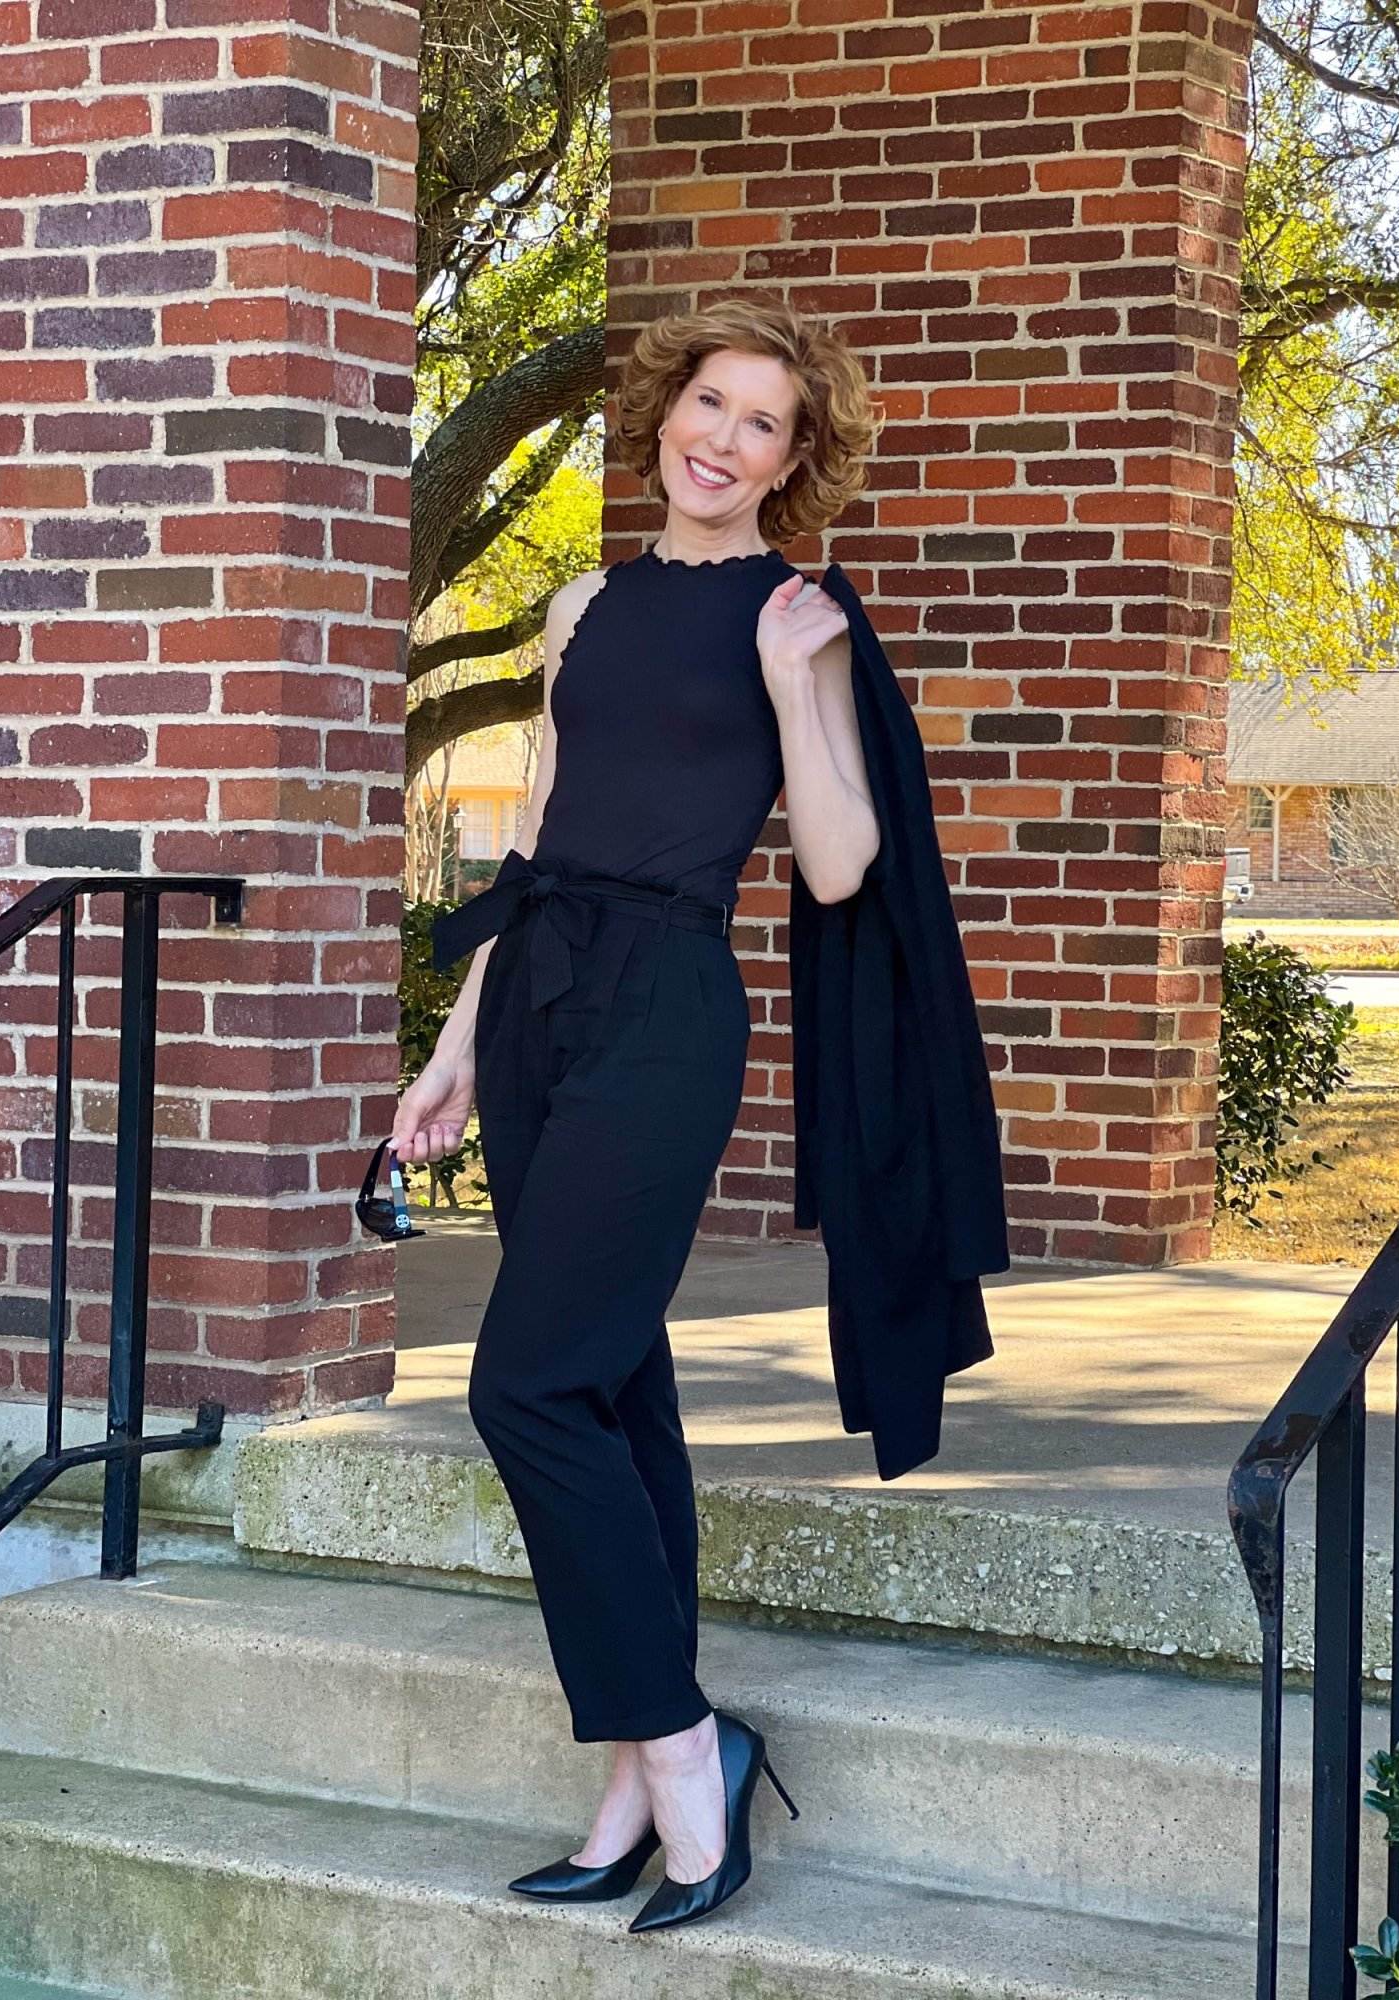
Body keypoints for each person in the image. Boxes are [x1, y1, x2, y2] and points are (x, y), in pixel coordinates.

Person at [390, 294, 884, 1931]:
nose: (723, 439)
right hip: (536, 1000)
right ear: (664, 411)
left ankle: (681, 1747)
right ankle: (632, 1782)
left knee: (526, 1385)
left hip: (669, 1006)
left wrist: (798, 684)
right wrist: (453, 1047)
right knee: (611, 1389)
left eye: (764, 424)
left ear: (793, 463)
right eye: (709, 403)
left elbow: (834, 867)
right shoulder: (581, 602)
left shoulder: (794, 611)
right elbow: (530, 839)